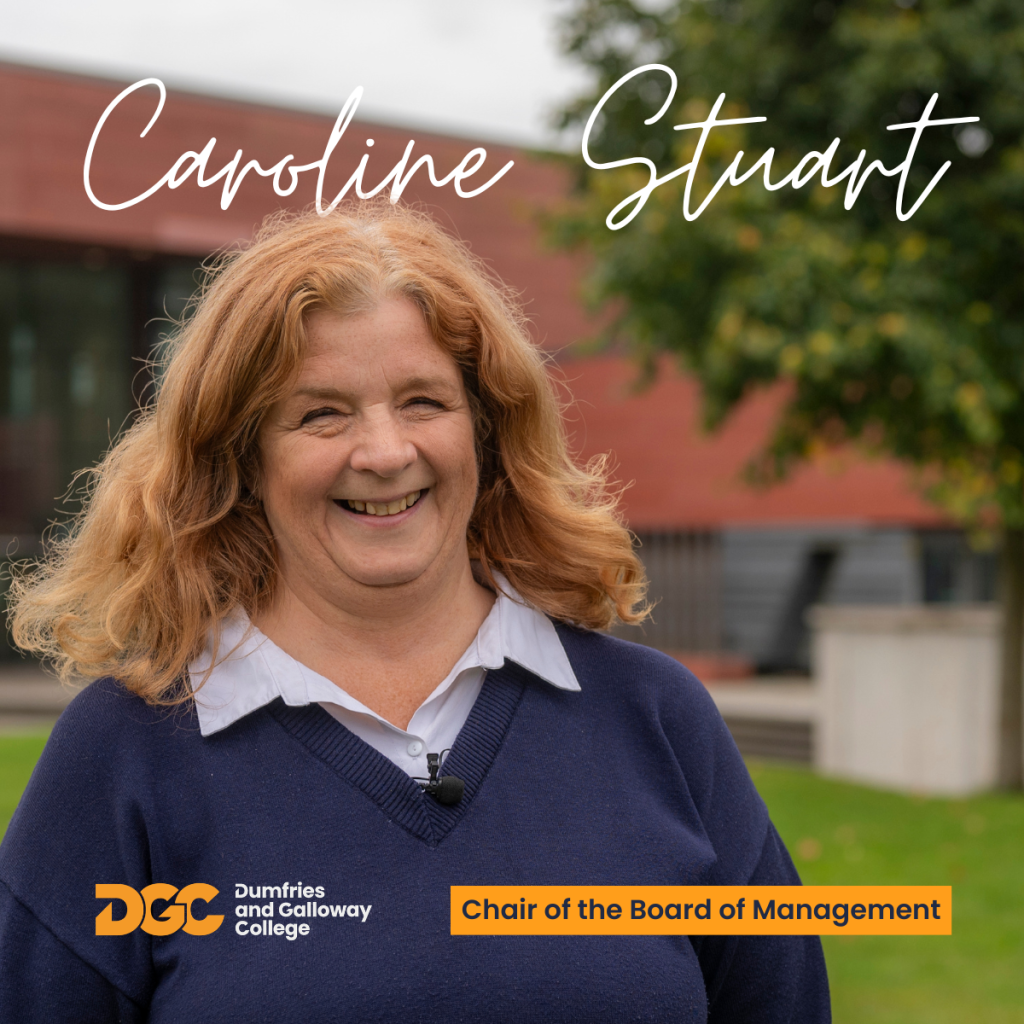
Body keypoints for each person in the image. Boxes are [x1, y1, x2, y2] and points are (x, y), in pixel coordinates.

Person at [0, 203, 830, 1023]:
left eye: (424, 402)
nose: (386, 453)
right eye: (321, 413)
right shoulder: (122, 757)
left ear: (487, 432)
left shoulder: (656, 718)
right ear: (243, 459)